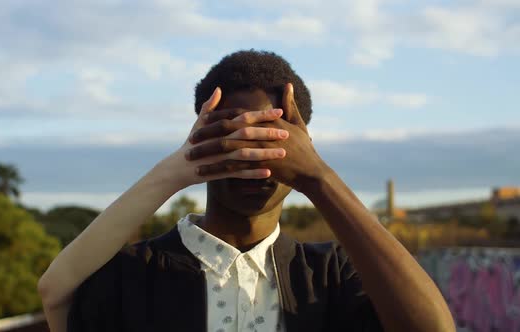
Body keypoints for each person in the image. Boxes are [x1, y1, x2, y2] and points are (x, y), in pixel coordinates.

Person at [38, 50, 455, 332]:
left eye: (274, 135)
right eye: (234, 133)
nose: (255, 156)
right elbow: (54, 294)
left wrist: (318, 178)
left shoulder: (331, 275)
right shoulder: (135, 272)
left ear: (303, 145)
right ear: (200, 135)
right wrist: (177, 170)